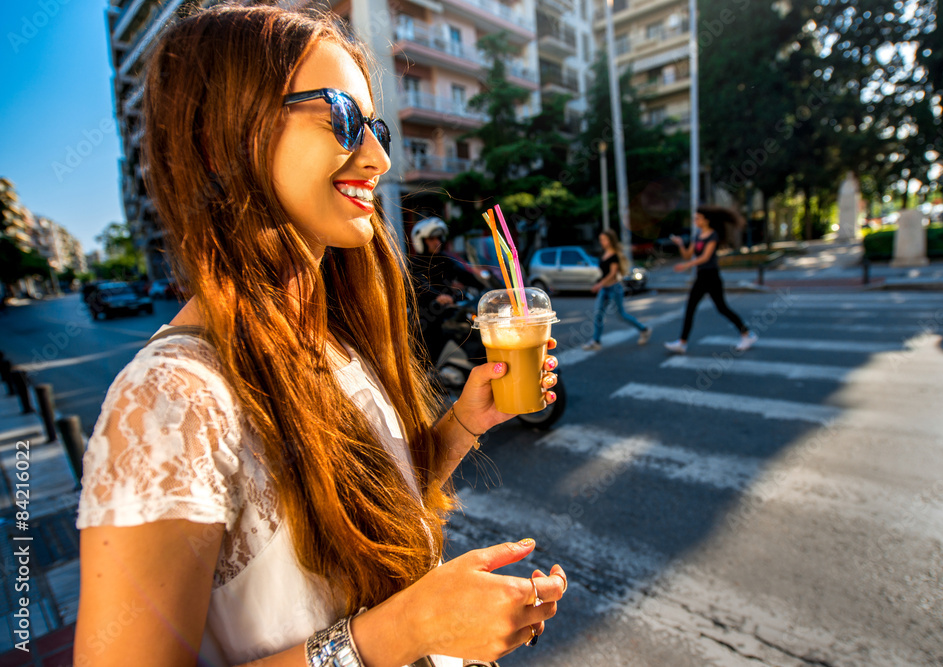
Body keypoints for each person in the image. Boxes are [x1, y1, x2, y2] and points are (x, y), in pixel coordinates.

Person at [74, 7, 566, 667]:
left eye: (377, 126)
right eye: (341, 117)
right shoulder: (168, 402)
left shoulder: (332, 338)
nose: (381, 156)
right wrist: (405, 629)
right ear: (223, 139)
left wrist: (459, 428)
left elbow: (361, 519)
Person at [664, 206, 757, 354]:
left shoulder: (713, 235)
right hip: (701, 277)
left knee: (722, 308)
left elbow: (705, 257)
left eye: (697, 218)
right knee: (690, 308)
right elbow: (688, 255)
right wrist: (681, 244)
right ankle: (682, 342)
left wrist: (686, 265)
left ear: (706, 220)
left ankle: (747, 334)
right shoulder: (698, 235)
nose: (695, 221)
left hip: (712, 276)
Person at [409, 217, 480, 366]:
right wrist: (438, 296)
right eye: (431, 239)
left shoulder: (445, 260)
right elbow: (420, 285)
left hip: (447, 312)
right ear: (420, 241)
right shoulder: (414, 264)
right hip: (426, 315)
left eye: (438, 238)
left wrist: (483, 281)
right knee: (428, 351)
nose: (436, 242)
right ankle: (428, 376)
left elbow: (464, 274)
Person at [581, 229, 651, 351]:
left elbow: (613, 274)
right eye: (600, 239)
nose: (601, 241)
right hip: (605, 288)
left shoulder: (614, 256)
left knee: (621, 314)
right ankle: (596, 341)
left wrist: (599, 285)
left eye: (604, 239)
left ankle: (644, 329)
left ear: (610, 240)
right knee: (598, 314)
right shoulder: (605, 254)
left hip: (614, 288)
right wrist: (601, 284)